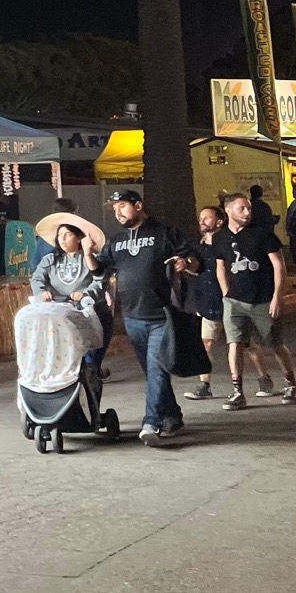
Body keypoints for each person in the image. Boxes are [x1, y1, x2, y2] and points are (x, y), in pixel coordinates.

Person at [101, 190, 194, 445]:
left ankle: (151, 422)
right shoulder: (116, 240)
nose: (117, 212)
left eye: (122, 206)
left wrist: (185, 262)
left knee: (157, 369)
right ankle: (172, 417)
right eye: (114, 209)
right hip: (132, 317)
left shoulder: (164, 233)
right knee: (154, 373)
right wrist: (87, 254)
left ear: (138, 205)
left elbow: (193, 257)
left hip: (161, 316)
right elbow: (100, 269)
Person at [215, 191, 296, 408]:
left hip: (262, 299)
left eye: (249, 208)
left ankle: (291, 383)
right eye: (241, 208)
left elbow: (278, 266)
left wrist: (277, 297)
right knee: (234, 343)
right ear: (228, 210)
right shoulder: (220, 237)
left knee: (275, 343)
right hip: (234, 301)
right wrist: (226, 292)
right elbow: (220, 267)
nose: (247, 212)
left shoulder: (263, 234)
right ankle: (237, 390)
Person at [184, 206, 269, 402]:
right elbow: (195, 270)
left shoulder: (229, 244)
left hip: (233, 301)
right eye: (201, 217)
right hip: (207, 302)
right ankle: (204, 384)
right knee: (206, 343)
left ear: (219, 221)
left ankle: (264, 377)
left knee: (247, 344)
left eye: (207, 217)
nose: (202, 221)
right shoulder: (197, 247)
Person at [29, 214, 109, 370]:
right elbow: (37, 279)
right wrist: (41, 293)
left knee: (91, 359)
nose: (62, 239)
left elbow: (100, 280)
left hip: (90, 314)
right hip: (61, 314)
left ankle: (94, 374)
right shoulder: (50, 259)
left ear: (79, 238)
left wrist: (86, 295)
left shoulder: (91, 259)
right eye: (59, 236)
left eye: (67, 235)